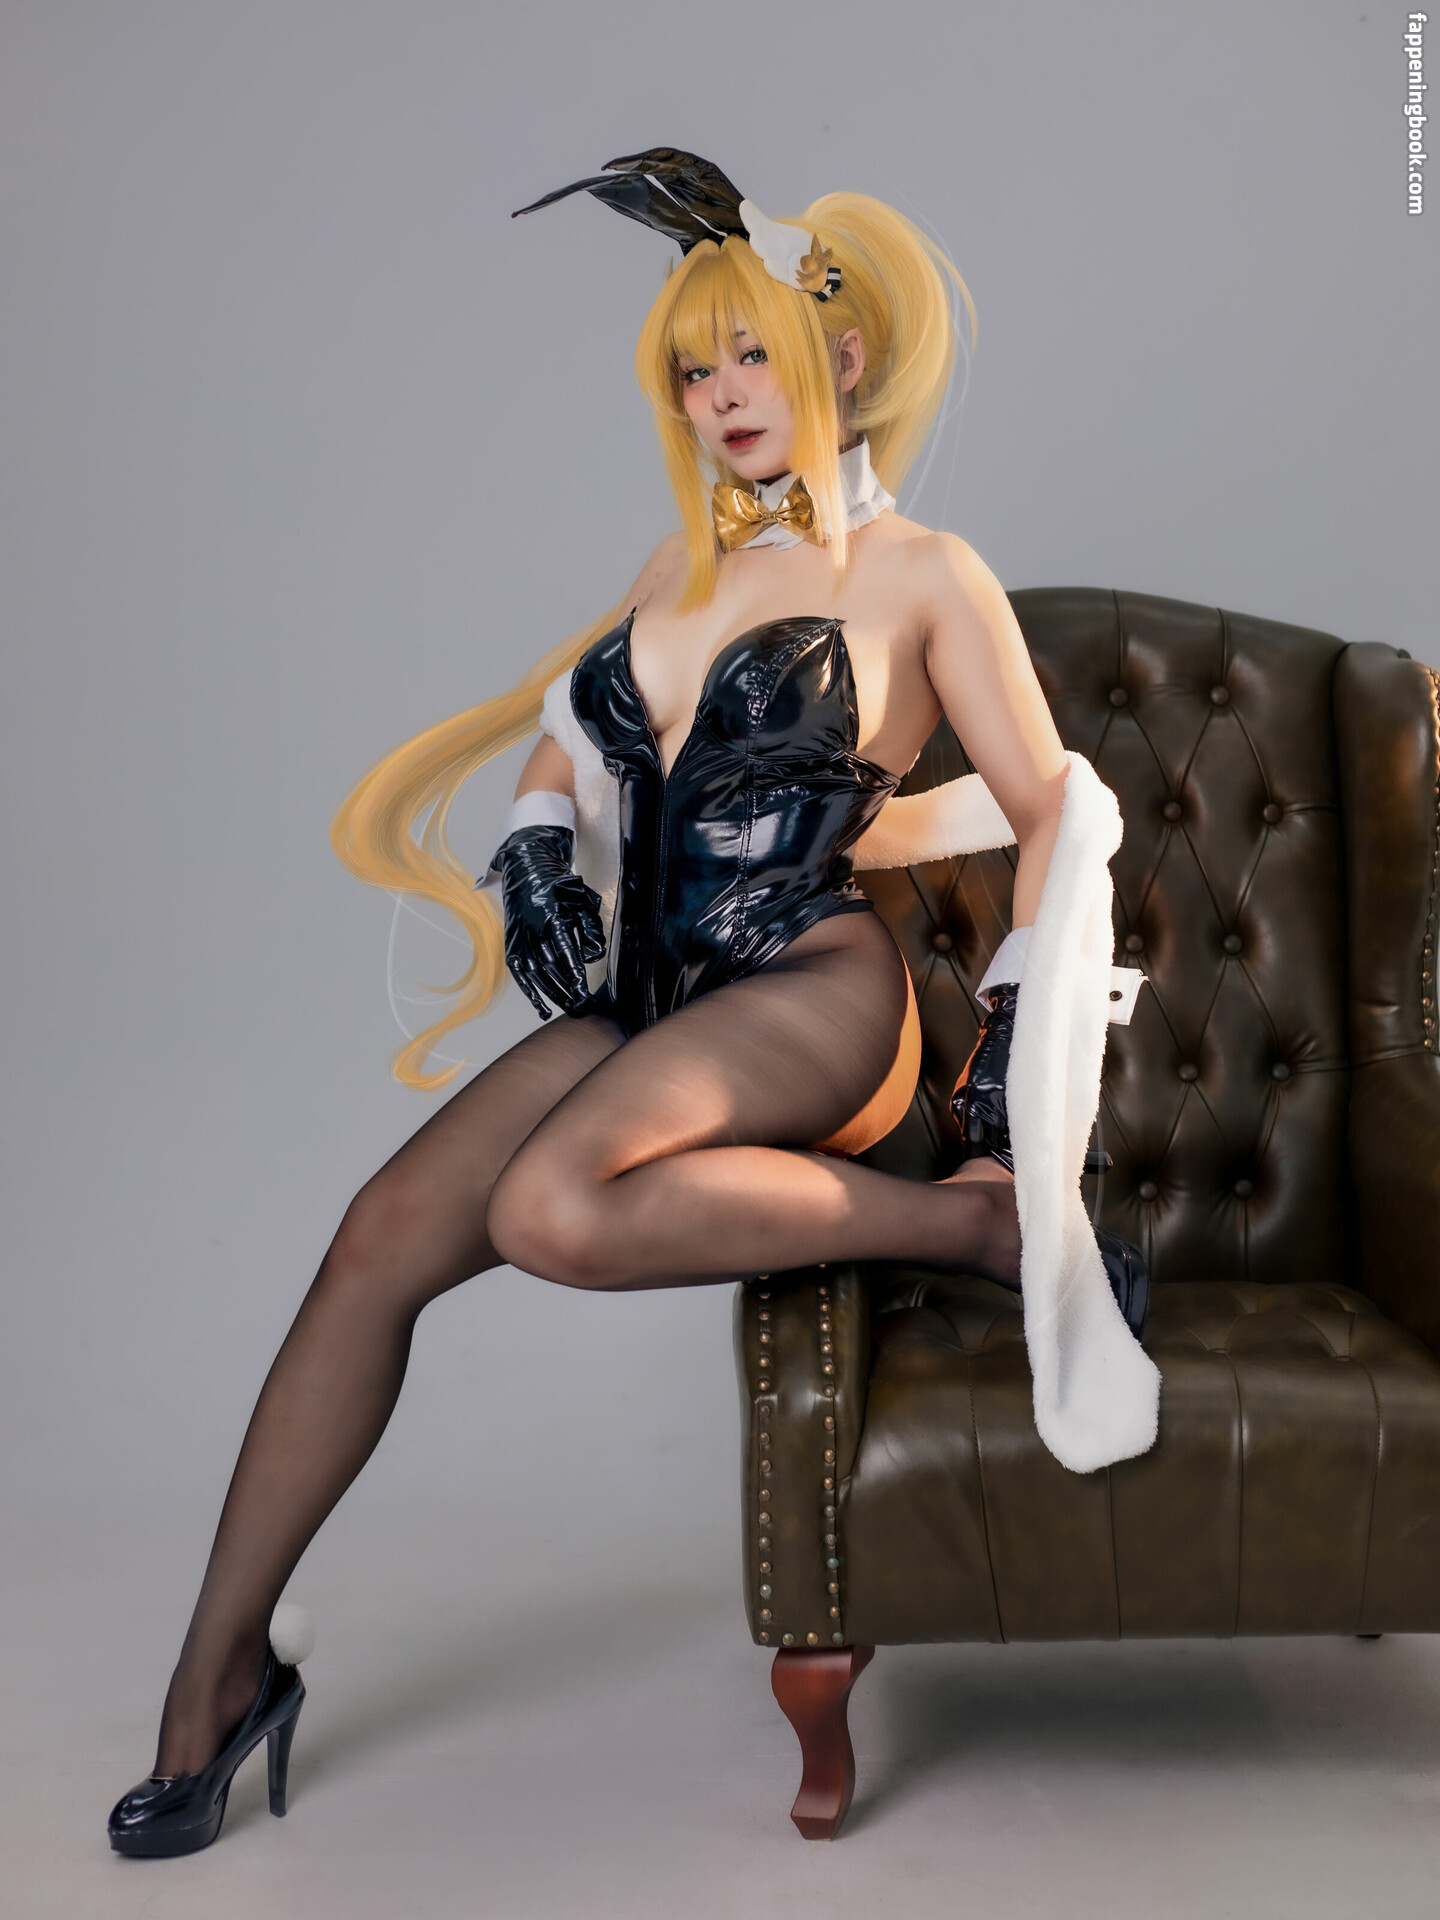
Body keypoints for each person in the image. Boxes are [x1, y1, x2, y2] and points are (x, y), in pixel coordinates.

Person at [107, 149, 1155, 1859]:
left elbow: (1053, 808)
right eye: (691, 366)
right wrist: (536, 847)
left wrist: (1016, 1058)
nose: (720, 393)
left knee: (549, 1207)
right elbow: (567, 738)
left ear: (843, 360)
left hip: (817, 988)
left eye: (750, 354)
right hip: (658, 1007)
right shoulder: (673, 566)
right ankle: (218, 1681)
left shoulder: (923, 575)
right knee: (377, 1242)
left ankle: (970, 1222)